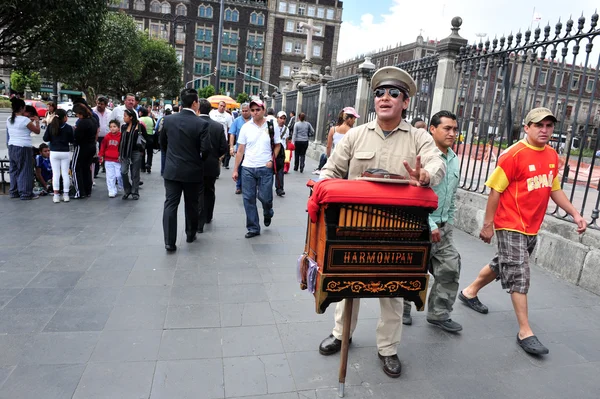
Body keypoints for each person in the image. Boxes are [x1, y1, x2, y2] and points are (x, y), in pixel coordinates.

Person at [317, 66, 445, 378]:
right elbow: (329, 172)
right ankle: (341, 333)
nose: (384, 98)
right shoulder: (355, 135)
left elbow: (436, 163)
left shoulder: (419, 138)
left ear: (405, 102)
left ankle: (388, 349)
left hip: (399, 231)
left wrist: (425, 175)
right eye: (379, 93)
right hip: (353, 228)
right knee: (347, 285)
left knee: (393, 291)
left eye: (393, 93)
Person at [459, 107, 587, 356]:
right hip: (510, 223)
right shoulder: (513, 155)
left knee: (502, 263)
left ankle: (469, 292)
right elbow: (495, 190)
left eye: (549, 126)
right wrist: (488, 224)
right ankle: (525, 332)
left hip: (532, 225)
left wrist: (575, 213)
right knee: (520, 273)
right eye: (539, 125)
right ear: (527, 127)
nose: (545, 130)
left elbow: (554, 189)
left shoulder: (551, 155)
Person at [402, 111, 462, 331]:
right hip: (419, 226)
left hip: (444, 228)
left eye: (455, 129)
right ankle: (403, 309)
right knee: (411, 270)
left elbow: (451, 196)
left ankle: (439, 313)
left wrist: (448, 223)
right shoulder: (423, 158)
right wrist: (431, 224)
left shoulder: (454, 159)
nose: (452, 133)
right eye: (447, 128)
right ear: (432, 130)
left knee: (450, 268)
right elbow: (414, 195)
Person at [161, 88, 211, 252]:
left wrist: (170, 157)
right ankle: (190, 233)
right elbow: (207, 149)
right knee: (191, 204)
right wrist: (198, 161)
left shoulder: (168, 120)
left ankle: (169, 242)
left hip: (172, 170)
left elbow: (162, 144)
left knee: (170, 204)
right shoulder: (201, 123)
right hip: (192, 170)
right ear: (195, 103)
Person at [232, 99, 280, 238]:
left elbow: (277, 145)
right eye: (252, 110)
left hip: (265, 167)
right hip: (248, 167)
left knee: (265, 197)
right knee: (248, 198)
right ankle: (253, 227)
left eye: (257, 110)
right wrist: (236, 169)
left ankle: (267, 211)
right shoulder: (246, 127)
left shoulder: (272, 125)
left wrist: (272, 160)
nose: (254, 112)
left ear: (263, 110)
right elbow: (240, 150)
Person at [198, 99, 228, 232]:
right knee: (209, 190)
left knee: (198, 191)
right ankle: (208, 215)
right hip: (211, 164)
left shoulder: (194, 124)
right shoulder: (218, 126)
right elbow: (223, 147)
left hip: (196, 164)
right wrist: (216, 156)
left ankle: (199, 219)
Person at [7, 98, 41, 200]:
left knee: (14, 169)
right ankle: (26, 193)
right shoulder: (25, 120)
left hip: (12, 146)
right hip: (23, 147)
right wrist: (37, 122)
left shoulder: (9, 119)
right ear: (22, 108)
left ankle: (14, 191)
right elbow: (37, 131)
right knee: (25, 170)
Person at [313, 107, 360, 174]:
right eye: (354, 119)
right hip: (347, 163)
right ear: (349, 119)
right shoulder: (353, 132)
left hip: (335, 160)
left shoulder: (333, 129)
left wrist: (329, 158)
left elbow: (328, 146)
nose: (354, 121)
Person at [44, 108, 74, 203]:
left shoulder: (51, 126)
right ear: (64, 117)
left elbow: (45, 138)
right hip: (65, 152)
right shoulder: (68, 127)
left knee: (55, 174)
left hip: (54, 152)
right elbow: (72, 140)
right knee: (65, 174)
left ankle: (56, 195)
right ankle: (66, 195)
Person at [119, 108, 147, 200]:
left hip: (136, 152)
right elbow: (121, 140)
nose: (124, 118)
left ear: (131, 117)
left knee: (135, 173)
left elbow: (145, 139)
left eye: (125, 116)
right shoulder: (123, 127)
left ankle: (135, 192)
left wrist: (142, 151)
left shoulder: (139, 126)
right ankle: (127, 190)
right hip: (125, 153)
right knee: (123, 172)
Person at [71, 103, 97, 199]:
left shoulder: (82, 122)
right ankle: (87, 190)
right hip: (91, 146)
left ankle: (79, 191)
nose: (76, 116)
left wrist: (75, 132)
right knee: (86, 169)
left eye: (77, 114)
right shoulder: (93, 120)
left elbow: (77, 137)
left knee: (76, 168)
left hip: (82, 147)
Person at [229, 102, 251, 194]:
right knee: (239, 168)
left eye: (247, 111)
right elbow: (232, 134)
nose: (245, 112)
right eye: (243, 111)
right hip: (240, 150)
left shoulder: (254, 120)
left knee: (249, 170)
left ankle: (248, 186)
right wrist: (231, 147)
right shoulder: (237, 121)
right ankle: (238, 186)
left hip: (251, 150)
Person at [98, 120, 123, 198]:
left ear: (118, 128)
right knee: (110, 176)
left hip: (118, 160)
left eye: (114, 126)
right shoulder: (107, 137)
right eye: (111, 127)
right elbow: (103, 146)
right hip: (108, 159)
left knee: (119, 175)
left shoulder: (121, 136)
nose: (112, 128)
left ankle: (120, 185)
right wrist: (101, 155)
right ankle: (111, 190)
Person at [209, 100, 234, 169]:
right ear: (218, 106)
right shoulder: (212, 113)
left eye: (224, 106)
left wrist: (229, 141)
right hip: (212, 136)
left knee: (220, 155)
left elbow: (230, 128)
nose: (222, 107)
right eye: (221, 106)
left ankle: (217, 168)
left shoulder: (228, 116)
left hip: (223, 137)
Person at [93, 96, 111, 176]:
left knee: (106, 153)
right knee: (96, 154)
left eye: (101, 104)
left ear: (106, 105)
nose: (99, 105)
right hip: (96, 137)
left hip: (106, 137)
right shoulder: (92, 111)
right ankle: (95, 171)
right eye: (98, 103)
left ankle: (105, 167)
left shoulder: (110, 113)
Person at [274, 111, 289, 196]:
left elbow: (286, 141)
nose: (282, 120)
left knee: (280, 171)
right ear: (277, 118)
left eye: (284, 118)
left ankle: (279, 188)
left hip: (281, 152)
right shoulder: (273, 127)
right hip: (273, 150)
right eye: (281, 118)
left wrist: (286, 152)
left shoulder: (286, 129)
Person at [138, 107, 155, 173]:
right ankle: (148, 165)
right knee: (150, 152)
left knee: (142, 152)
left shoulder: (139, 119)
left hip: (142, 137)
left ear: (141, 113)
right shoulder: (151, 119)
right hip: (150, 137)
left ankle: (142, 167)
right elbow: (154, 126)